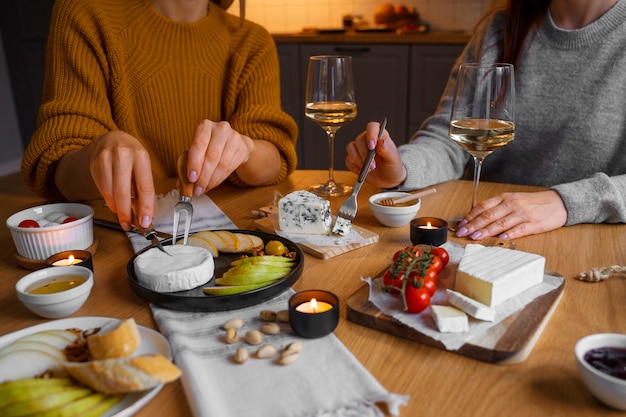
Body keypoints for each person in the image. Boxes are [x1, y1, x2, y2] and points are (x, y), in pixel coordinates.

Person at [345, 0, 626, 241]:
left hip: (592, 241)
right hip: (486, 234)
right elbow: (449, 137)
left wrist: (565, 203)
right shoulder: (499, 28)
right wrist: (401, 168)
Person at [21, 0, 298, 232]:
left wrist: (246, 148)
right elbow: (57, 170)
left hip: (224, 228)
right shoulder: (84, 13)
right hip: (113, 239)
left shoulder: (252, 40)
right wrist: (96, 153)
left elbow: (274, 157)